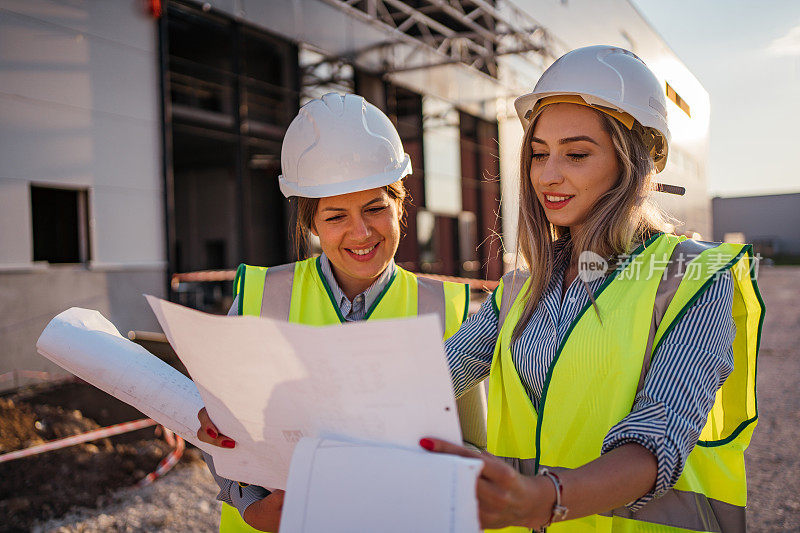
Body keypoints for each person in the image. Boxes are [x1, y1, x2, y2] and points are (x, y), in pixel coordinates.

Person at [422, 45, 763, 532]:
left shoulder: (693, 279)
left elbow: (657, 436)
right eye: (539, 155)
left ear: (635, 163)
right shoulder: (522, 287)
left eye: (577, 154)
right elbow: (436, 376)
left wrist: (545, 499)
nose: (548, 175)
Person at [195, 92, 486, 533]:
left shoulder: (448, 312)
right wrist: (250, 504)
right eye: (335, 217)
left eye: (375, 208)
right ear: (310, 225)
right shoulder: (259, 298)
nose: (361, 232)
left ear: (400, 205)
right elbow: (222, 429)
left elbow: (472, 452)